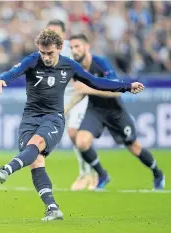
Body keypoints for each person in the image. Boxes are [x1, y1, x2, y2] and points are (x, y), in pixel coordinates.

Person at [0, 29, 144, 221]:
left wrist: (127, 86)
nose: (45, 57)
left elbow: (96, 82)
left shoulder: (69, 66)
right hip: (29, 118)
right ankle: (52, 208)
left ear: (60, 48)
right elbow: (12, 73)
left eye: (50, 53)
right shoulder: (32, 60)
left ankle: (7, 169)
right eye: (42, 53)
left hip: (53, 118)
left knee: (35, 144)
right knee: (36, 161)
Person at [67, 34, 165, 190]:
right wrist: (65, 109)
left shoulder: (101, 63)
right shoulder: (75, 69)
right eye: (71, 47)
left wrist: (88, 89)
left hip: (114, 111)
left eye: (77, 46)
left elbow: (115, 91)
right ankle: (102, 174)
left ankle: (157, 173)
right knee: (81, 142)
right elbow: (79, 93)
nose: (74, 50)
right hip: (95, 110)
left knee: (134, 147)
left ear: (87, 47)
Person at [47, 19, 97, 191]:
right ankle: (89, 172)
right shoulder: (45, 52)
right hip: (61, 101)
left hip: (79, 97)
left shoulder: (72, 50)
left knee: (74, 131)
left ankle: (87, 173)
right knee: (73, 136)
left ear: (63, 34)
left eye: (56, 32)